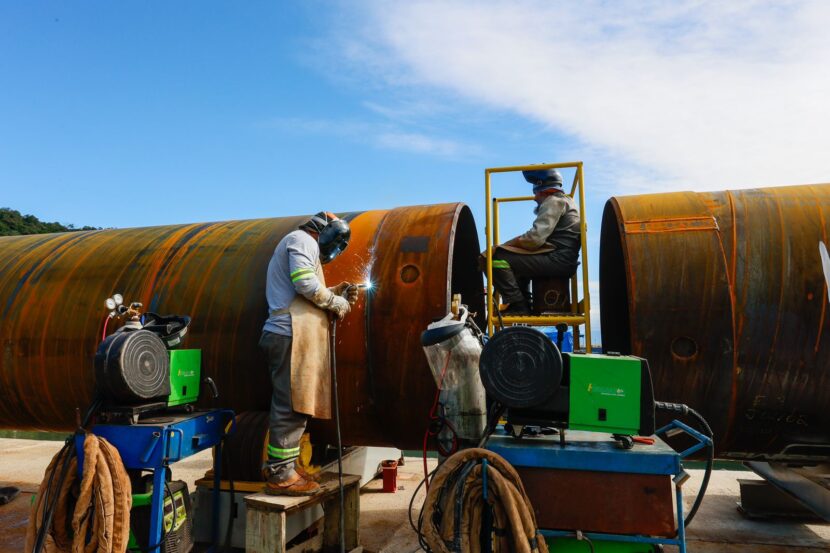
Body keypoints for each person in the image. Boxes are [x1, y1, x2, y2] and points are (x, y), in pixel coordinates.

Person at [260, 211, 358, 495]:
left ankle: (287, 468)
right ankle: (280, 476)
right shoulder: (302, 240)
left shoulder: (303, 245)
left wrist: (334, 291)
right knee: (290, 407)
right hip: (287, 333)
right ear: (325, 231)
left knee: (297, 406)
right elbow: (304, 284)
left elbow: (301, 288)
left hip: (291, 334)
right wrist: (334, 301)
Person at [487, 168, 581, 315]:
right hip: (563, 260)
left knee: (495, 258)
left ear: (545, 190)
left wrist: (505, 245)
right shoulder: (568, 202)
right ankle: (523, 301)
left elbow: (534, 239)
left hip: (557, 260)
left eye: (536, 192)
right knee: (516, 260)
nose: (534, 198)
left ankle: (518, 304)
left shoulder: (553, 202)